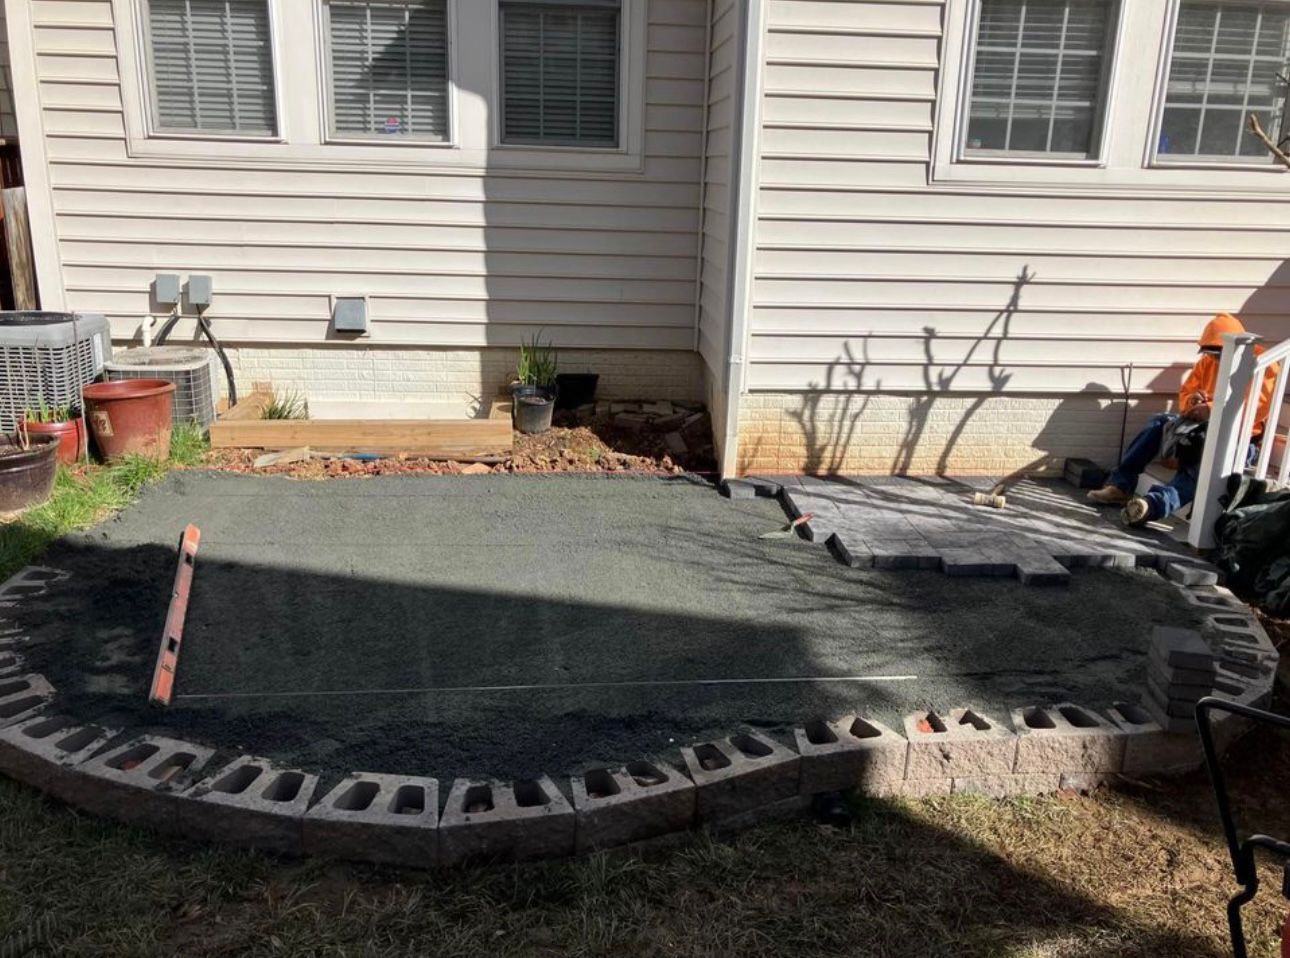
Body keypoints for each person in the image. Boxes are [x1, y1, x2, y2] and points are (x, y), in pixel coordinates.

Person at [1086, 312, 1281, 526]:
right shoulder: (1206, 362)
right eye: (1211, 352)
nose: (1214, 357)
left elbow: (1256, 409)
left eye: (1218, 352)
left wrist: (1209, 408)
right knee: (1158, 422)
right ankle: (1120, 486)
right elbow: (1186, 393)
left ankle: (1152, 506)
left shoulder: (1264, 366)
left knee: (1202, 459)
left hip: (1240, 439)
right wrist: (1192, 402)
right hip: (1198, 425)